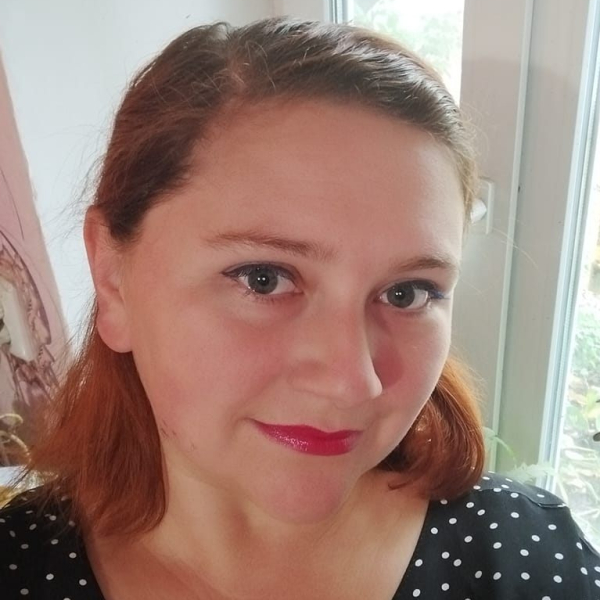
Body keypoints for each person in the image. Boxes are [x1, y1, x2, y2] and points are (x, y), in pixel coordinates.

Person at [1, 16, 598, 600]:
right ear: (113, 280)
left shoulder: (529, 559)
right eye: (263, 279)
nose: (351, 382)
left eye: (408, 292)